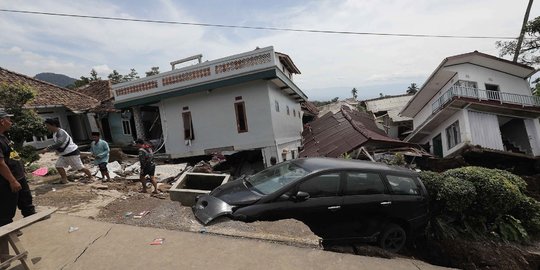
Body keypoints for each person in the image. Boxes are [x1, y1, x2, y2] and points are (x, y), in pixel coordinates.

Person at [0, 109, 36, 265]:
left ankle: (13, 231)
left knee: (21, 206)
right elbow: (0, 163)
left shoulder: (3, 137)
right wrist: (12, 180)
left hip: (17, 178)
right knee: (4, 217)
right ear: (2, 121)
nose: (11, 122)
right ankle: (3, 255)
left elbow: (10, 157)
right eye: (9, 119)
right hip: (7, 182)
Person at [39, 118, 93, 184]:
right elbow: (58, 144)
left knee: (80, 168)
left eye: (48, 125)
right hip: (64, 154)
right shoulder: (55, 133)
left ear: (53, 125)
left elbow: (59, 142)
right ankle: (64, 180)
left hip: (71, 153)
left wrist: (47, 149)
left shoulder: (61, 132)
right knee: (58, 165)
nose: (47, 127)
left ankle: (90, 177)